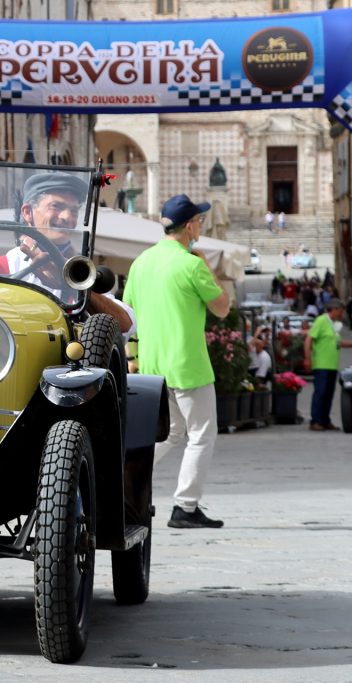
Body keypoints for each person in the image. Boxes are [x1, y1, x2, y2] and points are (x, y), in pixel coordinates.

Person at [123, 193, 231, 529]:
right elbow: (223, 308)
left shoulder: (141, 263)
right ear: (189, 226)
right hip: (187, 363)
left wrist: (133, 359)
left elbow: (129, 315)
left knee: (170, 432)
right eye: (199, 220)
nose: (201, 224)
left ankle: (120, 476)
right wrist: (209, 268)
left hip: (154, 364)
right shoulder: (191, 263)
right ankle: (185, 506)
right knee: (201, 434)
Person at [0, 172, 135, 337]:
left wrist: (70, 283)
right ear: (27, 212)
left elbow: (126, 325)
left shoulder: (80, 274)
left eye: (74, 210)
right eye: (56, 206)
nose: (67, 217)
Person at [303, 299, 352, 431]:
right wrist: (307, 358)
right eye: (341, 311)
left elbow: (338, 343)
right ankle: (315, 421)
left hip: (331, 365)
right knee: (321, 392)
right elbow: (309, 339)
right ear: (334, 310)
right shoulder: (321, 321)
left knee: (329, 394)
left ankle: (325, 420)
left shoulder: (333, 325)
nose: (342, 314)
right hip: (321, 364)